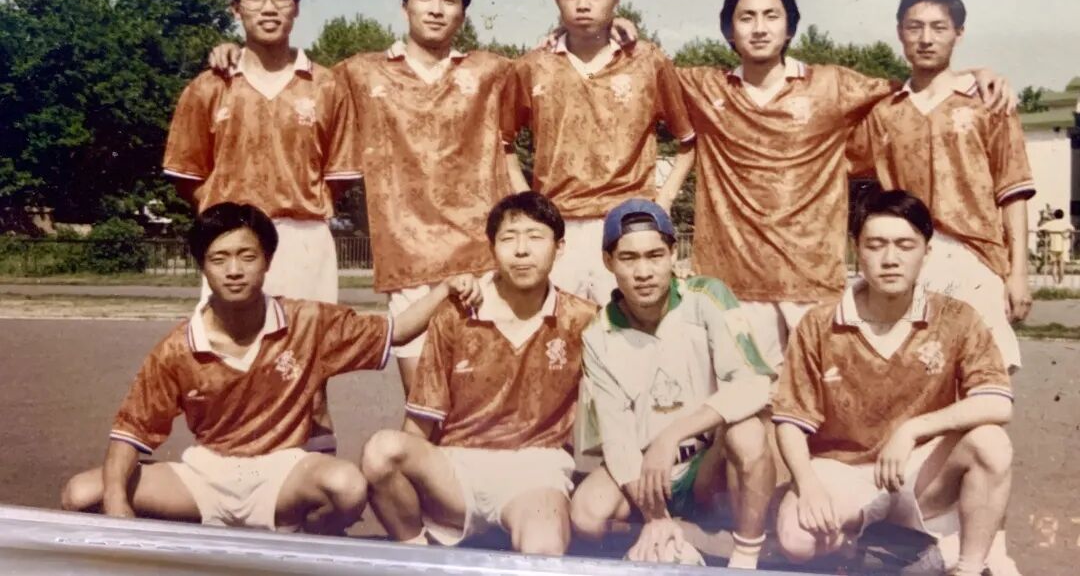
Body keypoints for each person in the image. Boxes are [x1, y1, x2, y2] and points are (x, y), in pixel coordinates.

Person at [208, 0, 515, 395]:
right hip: (408, 261)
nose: (435, 9)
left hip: (482, 257)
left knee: (485, 399)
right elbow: (291, 77)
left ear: (463, 13)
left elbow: (551, 72)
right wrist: (238, 51)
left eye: (449, 0)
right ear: (404, 6)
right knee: (426, 402)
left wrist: (605, 29)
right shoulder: (358, 73)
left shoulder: (492, 71)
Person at [672, 0, 1012, 370]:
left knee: (822, 401)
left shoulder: (831, 85)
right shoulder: (705, 88)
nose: (760, 28)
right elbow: (649, 75)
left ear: (790, 28)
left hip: (813, 282)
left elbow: (915, 87)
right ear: (729, 30)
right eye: (746, 17)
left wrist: (973, 75)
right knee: (744, 401)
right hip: (733, 285)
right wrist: (619, 28)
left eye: (772, 16)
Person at [59, 202, 441, 533]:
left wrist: (448, 289)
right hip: (206, 475)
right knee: (82, 494)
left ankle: (303, 539)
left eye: (247, 256)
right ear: (202, 267)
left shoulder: (308, 321)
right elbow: (129, 434)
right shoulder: (177, 348)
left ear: (268, 261)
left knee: (347, 487)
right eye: (219, 259)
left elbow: (398, 330)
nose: (234, 270)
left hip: (282, 471)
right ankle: (194, 541)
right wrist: (118, 506)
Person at [166, 0, 358, 452]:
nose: (269, 7)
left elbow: (337, 176)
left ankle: (316, 473)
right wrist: (224, 220)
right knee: (229, 358)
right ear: (235, 8)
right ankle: (229, 464)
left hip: (303, 238)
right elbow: (188, 174)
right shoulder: (210, 86)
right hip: (233, 242)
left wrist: (297, 206)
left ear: (297, 7)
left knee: (308, 363)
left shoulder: (327, 85)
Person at [772, 188, 1014, 576]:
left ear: (926, 252)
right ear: (856, 250)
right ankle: (876, 551)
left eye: (905, 245)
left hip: (917, 472)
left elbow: (997, 402)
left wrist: (912, 429)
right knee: (797, 541)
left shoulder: (957, 317)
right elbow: (789, 420)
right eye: (876, 245)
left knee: (992, 443)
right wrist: (808, 485)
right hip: (842, 470)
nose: (890, 259)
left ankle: (967, 566)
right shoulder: (819, 323)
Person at [360, 192, 598, 555]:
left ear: (559, 248)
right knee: (381, 451)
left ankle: (529, 526)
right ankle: (418, 554)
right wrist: (404, 483)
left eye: (535, 237)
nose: (521, 250)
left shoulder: (583, 319)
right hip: (457, 470)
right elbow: (419, 424)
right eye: (508, 238)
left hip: (535, 469)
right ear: (492, 248)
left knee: (543, 550)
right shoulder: (455, 315)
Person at [570, 199, 776, 568]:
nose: (643, 272)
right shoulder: (597, 334)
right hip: (651, 469)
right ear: (608, 261)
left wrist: (672, 435)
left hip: (708, 460)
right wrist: (655, 516)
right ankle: (677, 535)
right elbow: (617, 440)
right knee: (587, 513)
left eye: (655, 256)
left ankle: (746, 556)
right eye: (628, 258)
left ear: (672, 254)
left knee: (748, 434)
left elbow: (756, 383)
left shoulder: (707, 296)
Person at [849, 0, 1035, 371]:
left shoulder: (989, 102)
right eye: (915, 27)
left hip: (976, 257)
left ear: (958, 33)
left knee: (984, 378)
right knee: (912, 377)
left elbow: (1013, 192)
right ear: (900, 32)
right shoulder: (884, 113)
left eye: (939, 27)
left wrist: (1018, 273)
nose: (926, 38)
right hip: (907, 256)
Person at [502, 0, 696, 304]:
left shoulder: (648, 61)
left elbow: (688, 139)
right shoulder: (531, 66)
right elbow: (503, 143)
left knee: (630, 331)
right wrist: (527, 201)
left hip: (628, 224)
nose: (582, 4)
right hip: (558, 226)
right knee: (561, 331)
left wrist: (665, 199)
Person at [1039, 208, 1073, 285]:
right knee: (1061, 264)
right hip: (1063, 246)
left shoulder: (1051, 223)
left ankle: (1055, 282)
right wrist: (1066, 232)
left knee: (1054, 264)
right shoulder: (1065, 223)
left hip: (1053, 246)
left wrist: (1048, 232)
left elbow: (1040, 228)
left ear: (1054, 215)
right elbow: (1072, 229)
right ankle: (1060, 282)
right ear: (1063, 215)